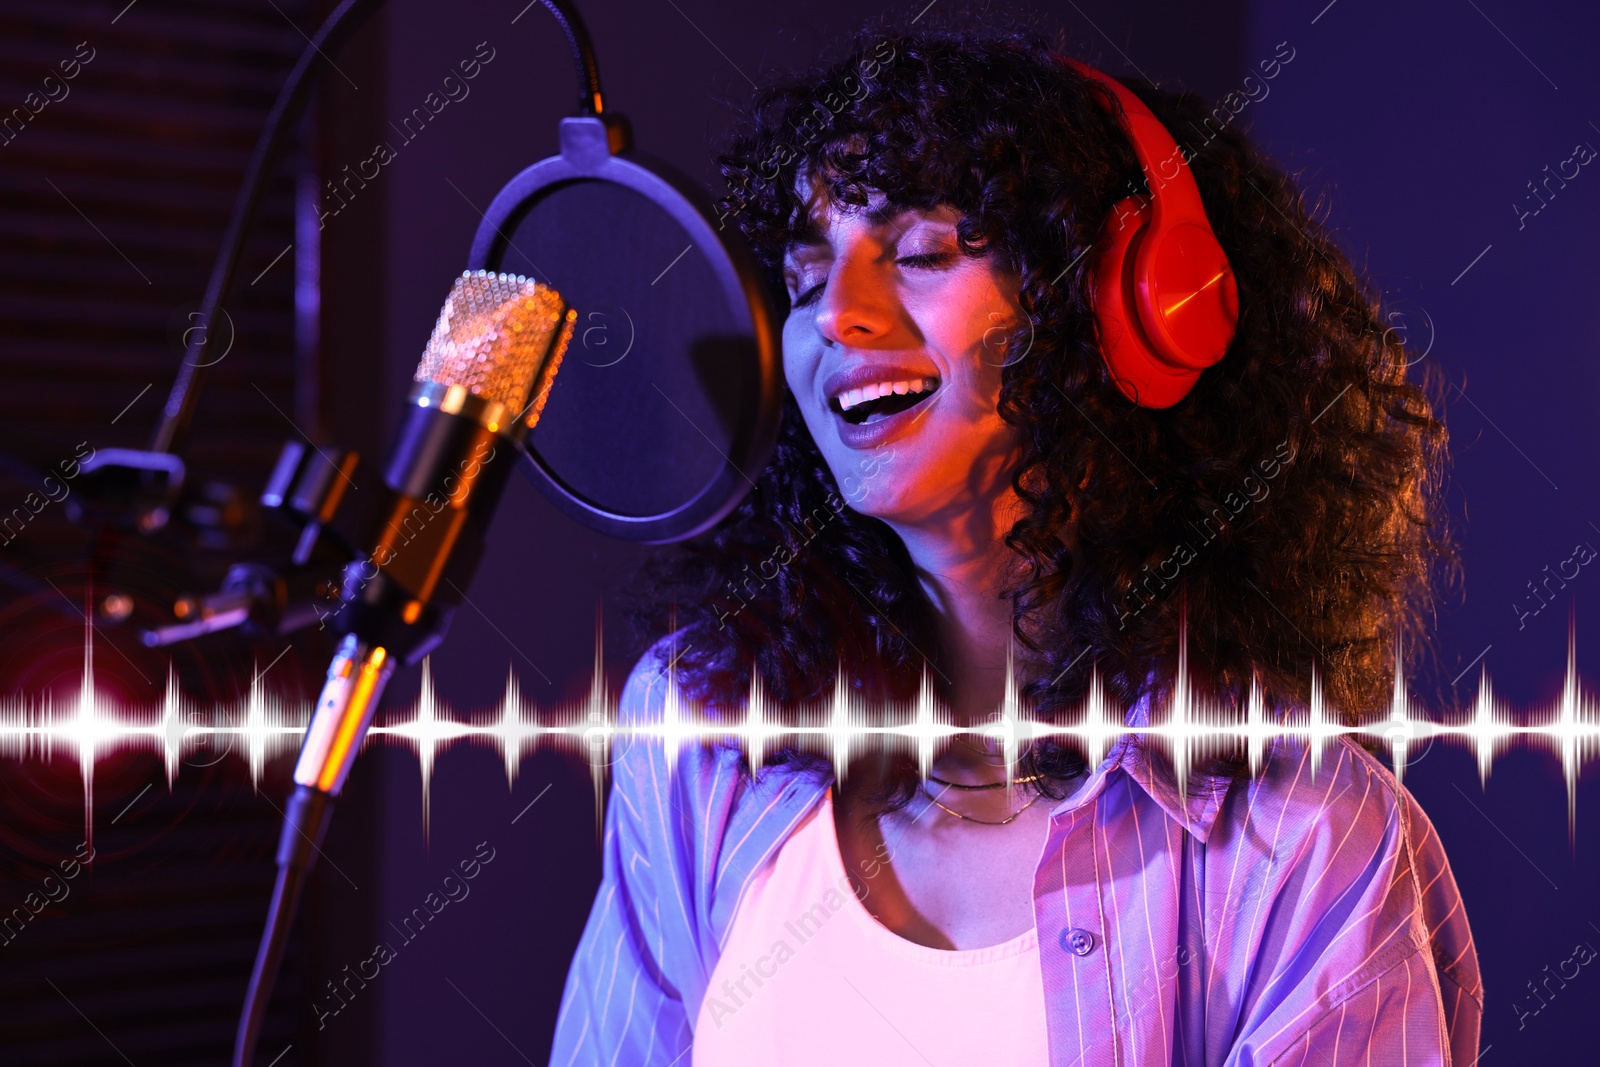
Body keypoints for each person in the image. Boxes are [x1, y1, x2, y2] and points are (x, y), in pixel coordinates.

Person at [549, 24, 1480, 1067]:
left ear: (1122, 310)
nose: (837, 317)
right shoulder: (704, 737)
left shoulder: (1306, 844)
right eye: (805, 280)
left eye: (920, 254)